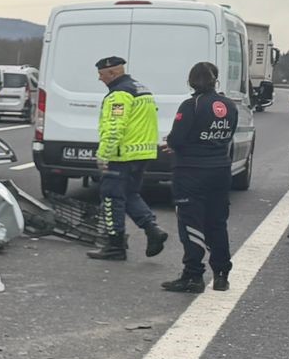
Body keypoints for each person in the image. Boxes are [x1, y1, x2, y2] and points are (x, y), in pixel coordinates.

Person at [161, 62, 237, 293]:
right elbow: (229, 134)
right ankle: (222, 274)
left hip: (191, 171)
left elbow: (178, 138)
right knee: (217, 222)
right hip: (221, 170)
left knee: (191, 223)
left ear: (191, 81)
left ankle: (193, 275)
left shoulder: (191, 105)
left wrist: (172, 143)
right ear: (216, 80)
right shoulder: (229, 105)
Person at [86, 55, 168, 263]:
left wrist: (103, 156)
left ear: (113, 73)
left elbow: (114, 128)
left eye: (101, 74)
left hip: (122, 155)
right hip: (142, 153)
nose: (99, 79)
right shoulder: (141, 89)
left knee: (111, 198)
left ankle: (115, 246)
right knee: (130, 194)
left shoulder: (119, 95)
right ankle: (153, 230)